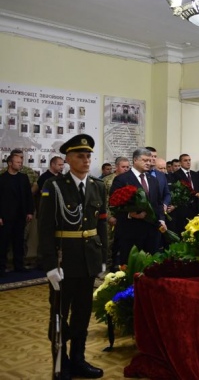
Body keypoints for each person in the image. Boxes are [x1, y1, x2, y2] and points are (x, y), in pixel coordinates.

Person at [38, 134, 107, 379]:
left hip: (88, 260)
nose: (86, 160)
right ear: (68, 159)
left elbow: (101, 224)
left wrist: (102, 258)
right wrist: (49, 266)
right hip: (63, 260)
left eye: (88, 156)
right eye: (80, 156)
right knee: (59, 314)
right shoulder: (54, 186)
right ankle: (61, 361)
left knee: (82, 313)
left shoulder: (98, 185)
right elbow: (45, 228)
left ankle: (78, 359)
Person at [110, 148, 167, 264]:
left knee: (151, 265)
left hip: (152, 231)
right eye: (145, 160)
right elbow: (113, 204)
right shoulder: (122, 179)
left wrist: (161, 219)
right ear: (135, 160)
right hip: (131, 230)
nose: (148, 163)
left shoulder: (153, 180)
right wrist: (130, 214)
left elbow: (158, 203)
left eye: (150, 160)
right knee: (131, 265)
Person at [0, 153, 35, 275]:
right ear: (10, 163)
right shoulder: (2, 179)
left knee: (19, 242)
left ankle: (19, 266)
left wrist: (30, 211)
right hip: (5, 217)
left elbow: (28, 196)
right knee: (3, 243)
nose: (20, 164)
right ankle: (1, 267)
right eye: (18, 162)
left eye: (21, 162)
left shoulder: (23, 177)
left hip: (20, 216)